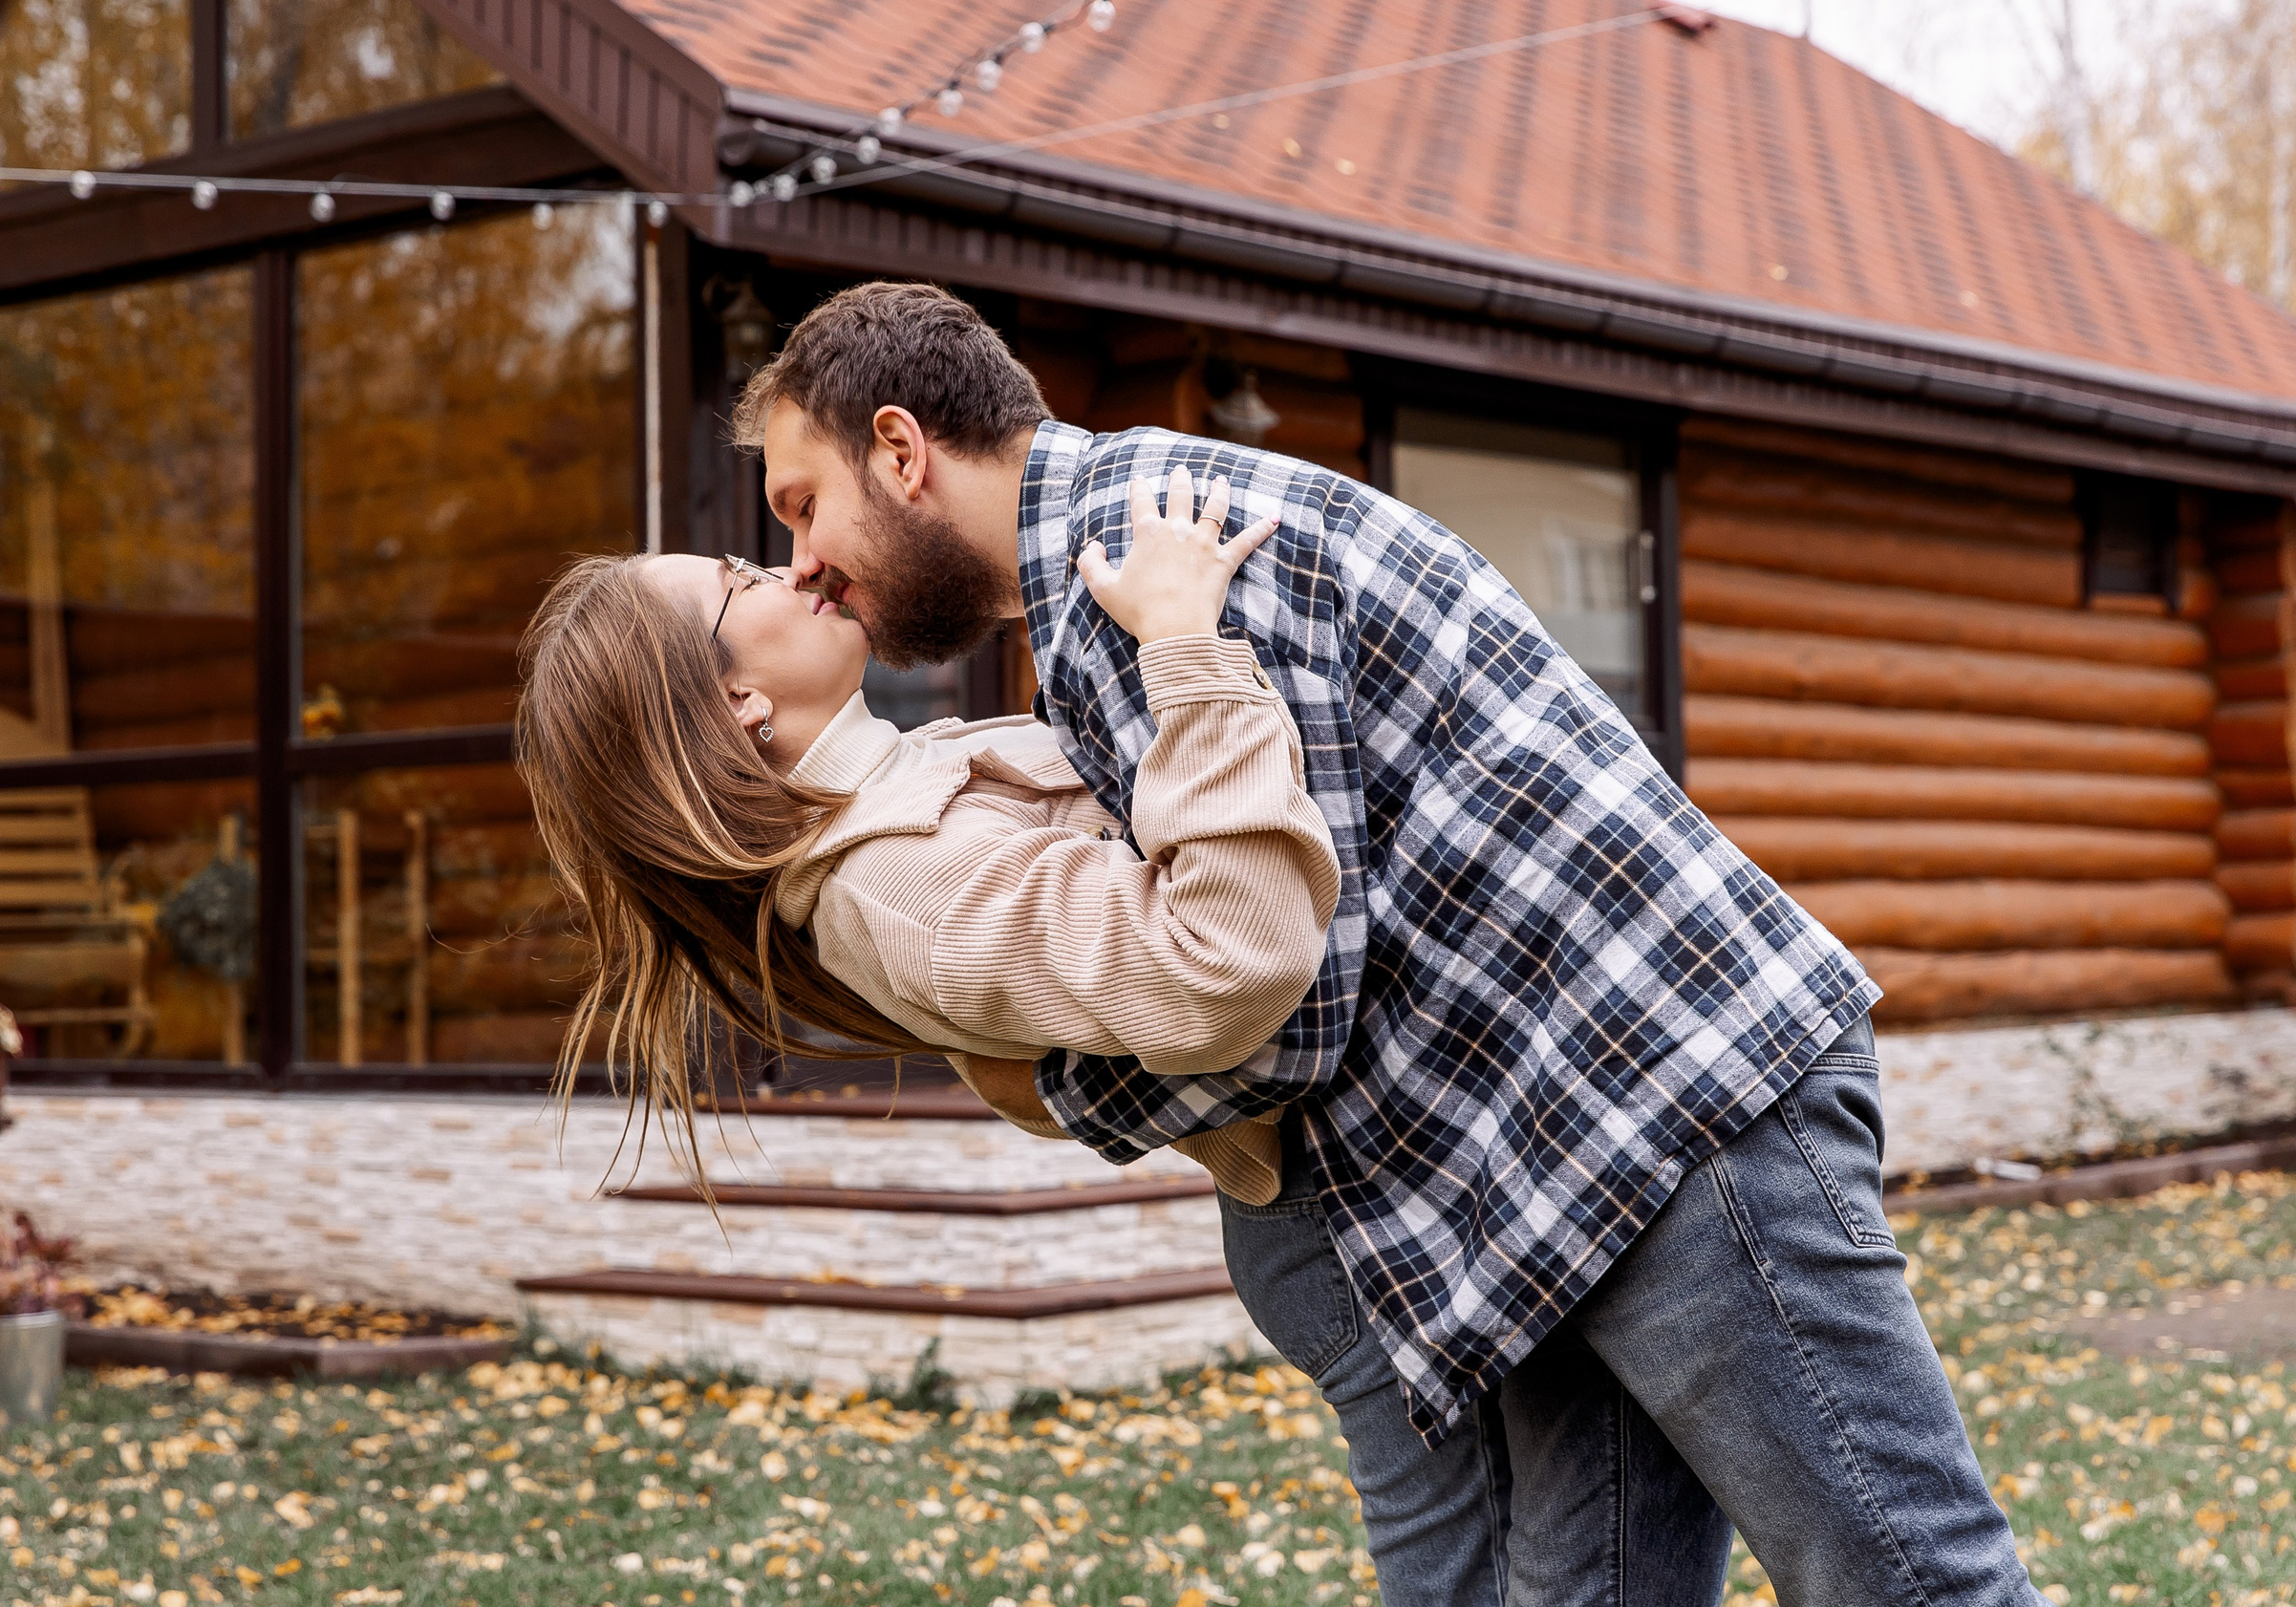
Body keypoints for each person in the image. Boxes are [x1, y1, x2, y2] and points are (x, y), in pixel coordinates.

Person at [740, 280, 2049, 1607]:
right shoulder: (1129, 548)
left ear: (901, 454)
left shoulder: (1136, 571)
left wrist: (1070, 1083)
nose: (799, 557)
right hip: (1565, 1152)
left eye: (801, 504)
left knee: (1916, 1582)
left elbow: (1282, 985)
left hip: (1676, 1105)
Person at [517, 482, 1538, 1605]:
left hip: (1382, 1193)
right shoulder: (897, 880)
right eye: (737, 584)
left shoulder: (907, 789)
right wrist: (1187, 646)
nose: (788, 567)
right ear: (741, 704)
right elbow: (1224, 957)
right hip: (1347, 1227)